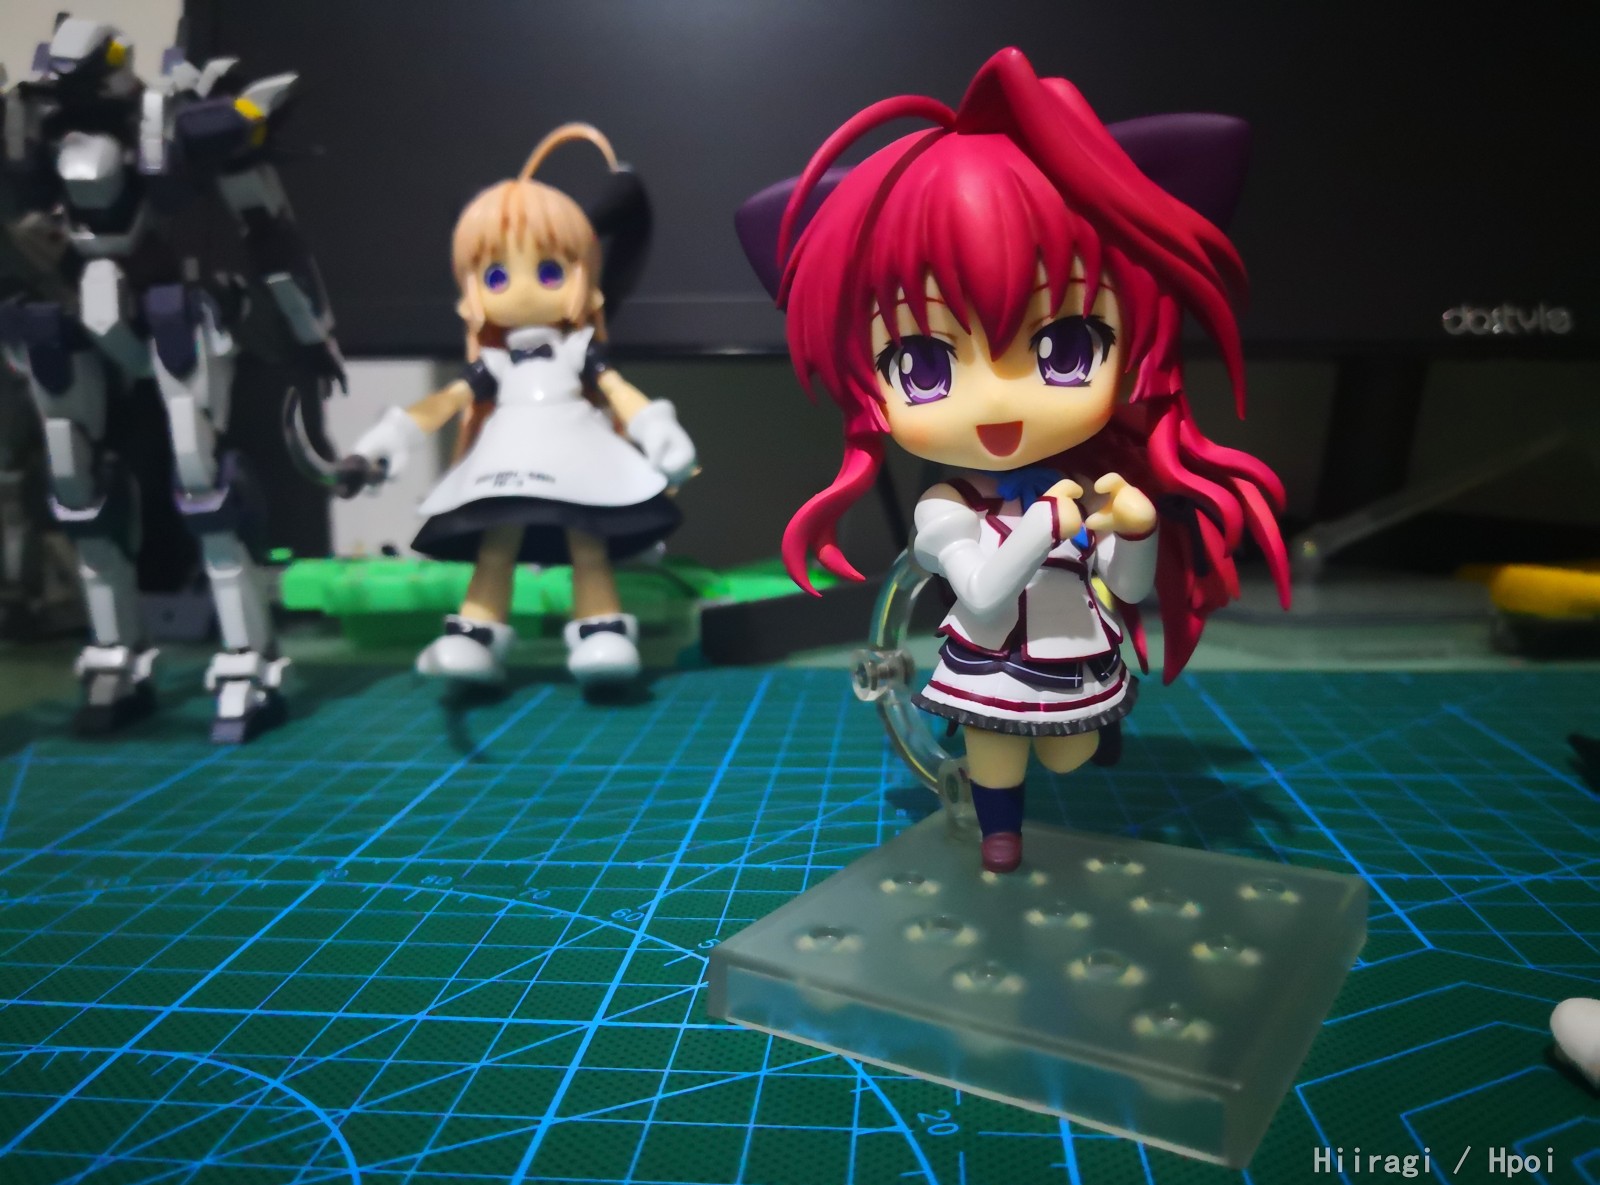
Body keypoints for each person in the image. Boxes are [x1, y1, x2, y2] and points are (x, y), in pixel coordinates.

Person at [769, 49, 1289, 871]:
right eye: (924, 365)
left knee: (1069, 753)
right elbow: (979, 591)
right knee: (995, 755)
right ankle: (1000, 831)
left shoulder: (1081, 482)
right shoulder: (946, 508)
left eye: (1064, 346)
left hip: (1071, 651)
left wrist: (1137, 530)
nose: (998, 401)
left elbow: (1126, 589)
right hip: (989, 658)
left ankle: (1065, 754)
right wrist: (1047, 522)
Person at [350, 124, 696, 686]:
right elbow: (447, 401)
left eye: (550, 271)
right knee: (496, 546)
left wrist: (656, 429)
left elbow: (616, 389)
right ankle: (475, 635)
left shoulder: (579, 352)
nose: (523, 288)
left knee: (588, 543)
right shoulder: (495, 363)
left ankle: (601, 630)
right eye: (496, 275)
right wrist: (389, 440)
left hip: (579, 456)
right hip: (505, 459)